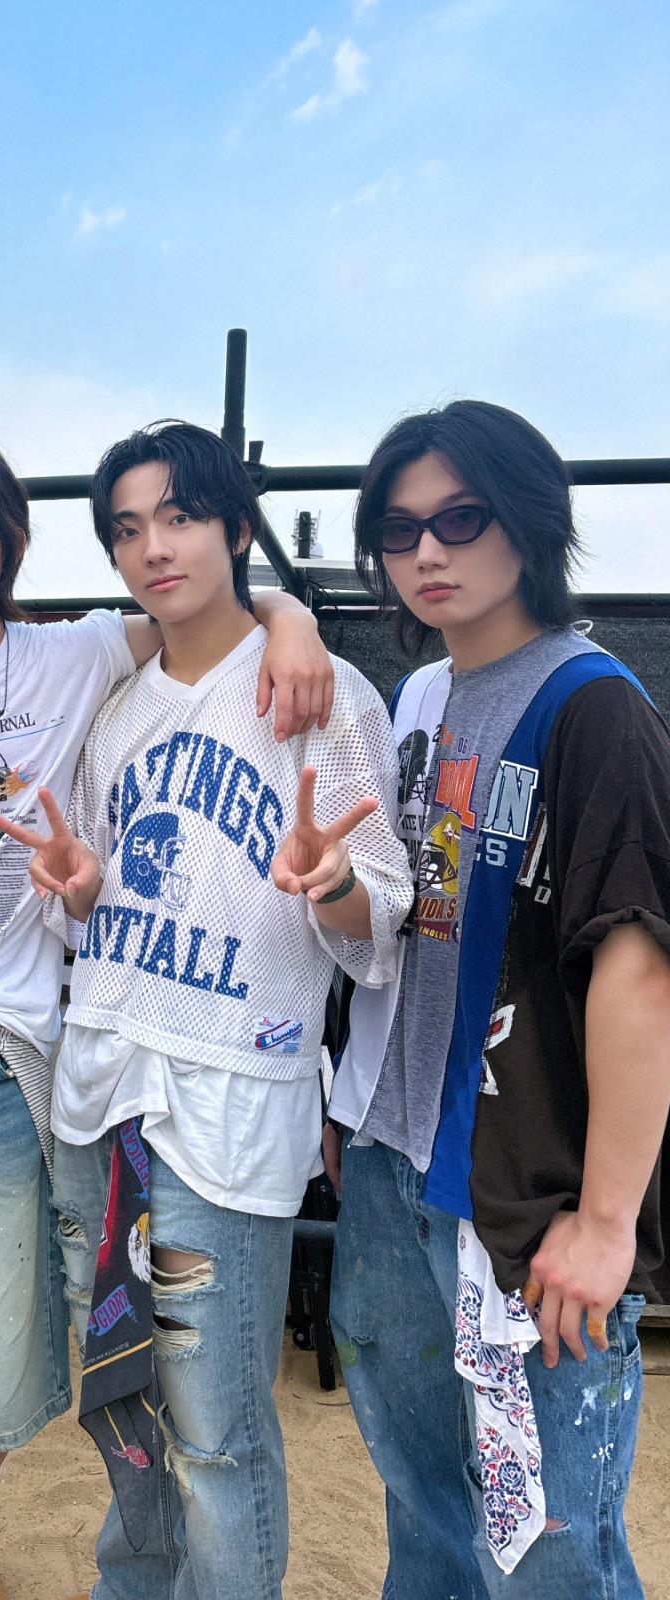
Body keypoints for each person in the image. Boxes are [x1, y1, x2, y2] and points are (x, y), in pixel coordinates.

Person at [0, 429, 336, 1600]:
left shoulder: (73, 654)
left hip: (0, 1045)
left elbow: (200, 608)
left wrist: (292, 616)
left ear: (9, 542)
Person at [0, 420, 413, 1600]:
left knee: (216, 1432)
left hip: (224, 1100)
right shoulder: (115, 709)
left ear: (233, 525)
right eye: (127, 528)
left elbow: (382, 911)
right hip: (100, 1093)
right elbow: (95, 897)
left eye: (177, 517)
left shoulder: (317, 696)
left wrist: (331, 881)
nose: (153, 547)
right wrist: (79, 888)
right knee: (122, 1406)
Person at [326, 400, 670, 1597]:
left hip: (521, 1196)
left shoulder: (593, 707)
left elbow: (637, 971)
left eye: (459, 518)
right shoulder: (416, 699)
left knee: (549, 1547)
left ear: (526, 521)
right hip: (390, 1165)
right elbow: (409, 923)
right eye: (399, 527)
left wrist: (606, 1221)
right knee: (425, 1510)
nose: (426, 550)